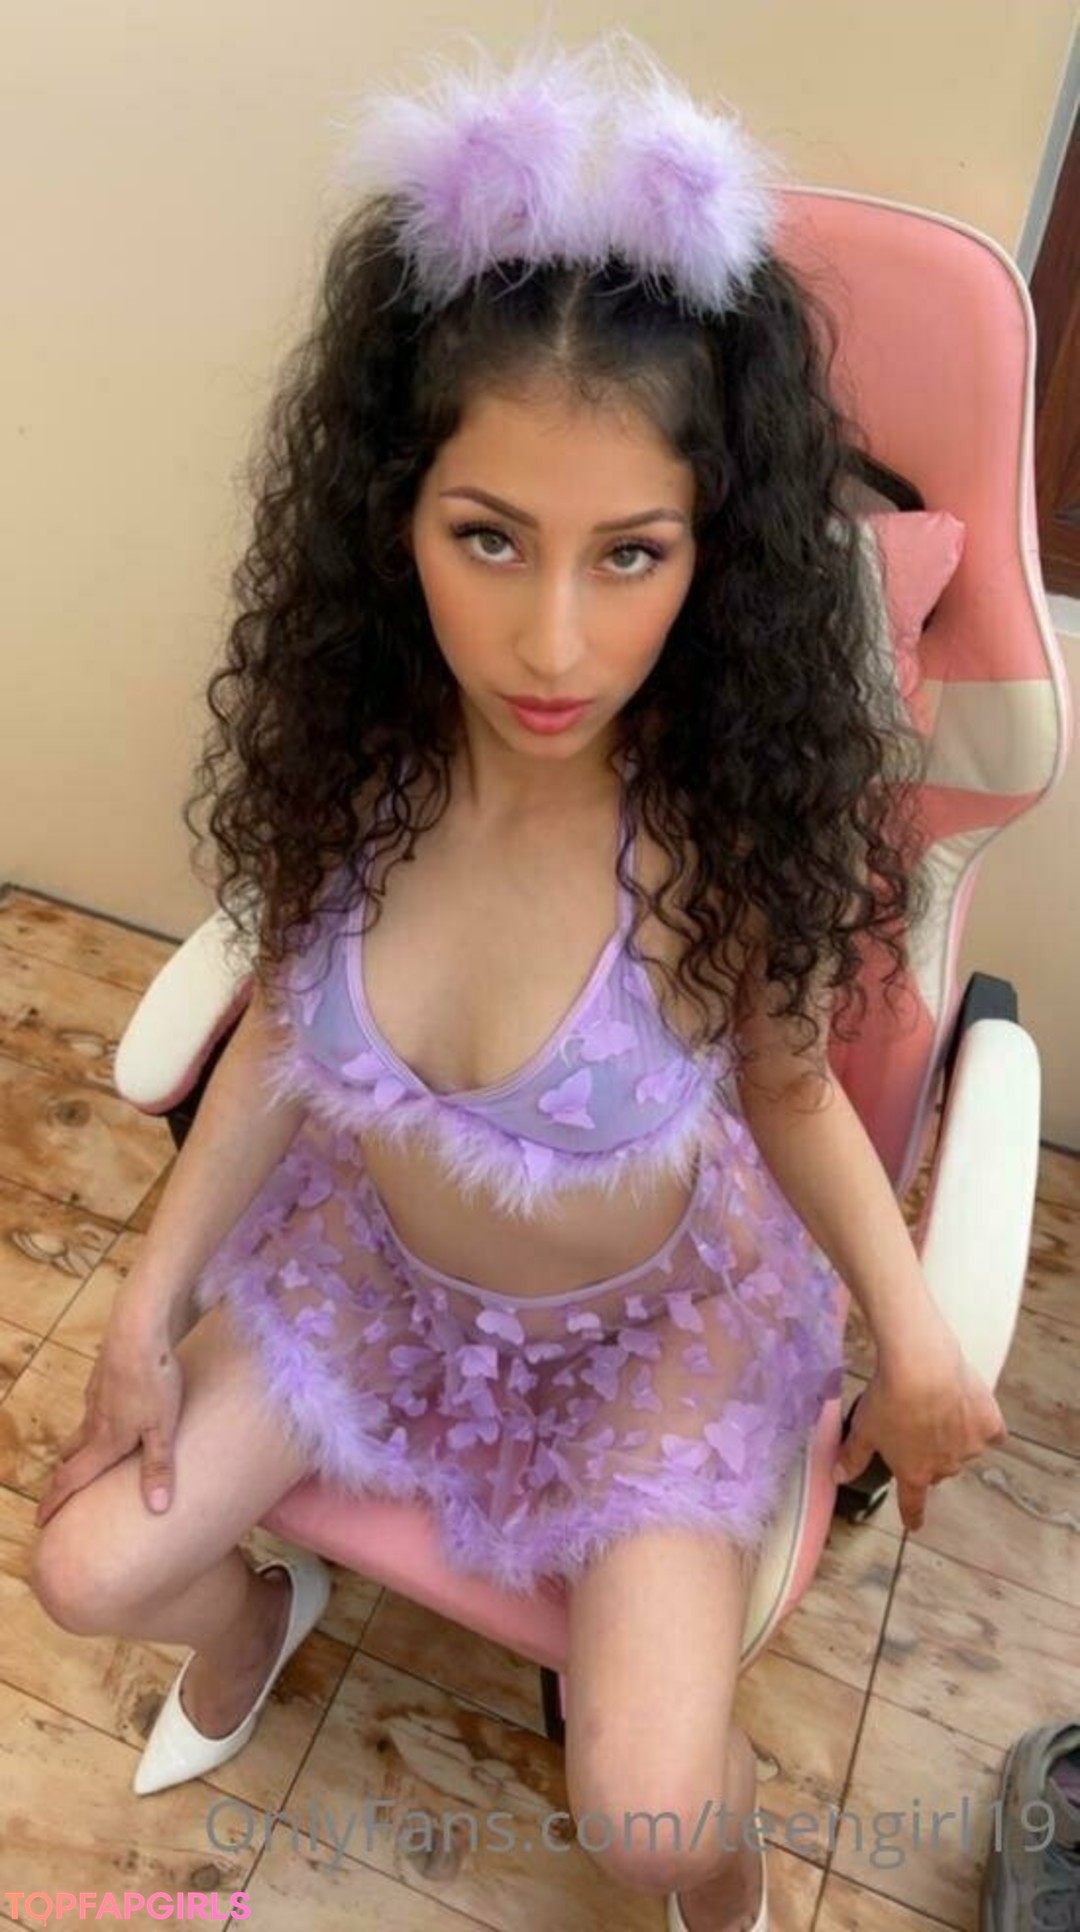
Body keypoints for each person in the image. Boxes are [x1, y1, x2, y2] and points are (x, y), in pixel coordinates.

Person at [28, 32, 1007, 1932]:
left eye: (629, 556)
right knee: (83, 1572)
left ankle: (725, 1896)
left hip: (649, 1346)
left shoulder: (715, 827)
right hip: (375, 1281)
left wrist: (910, 1331)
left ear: (708, 557)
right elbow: (280, 1043)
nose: (553, 642)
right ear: (395, 519)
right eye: (489, 538)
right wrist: (145, 1304)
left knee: (648, 1824)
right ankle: (254, 1619)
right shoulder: (359, 769)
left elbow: (794, 1091)